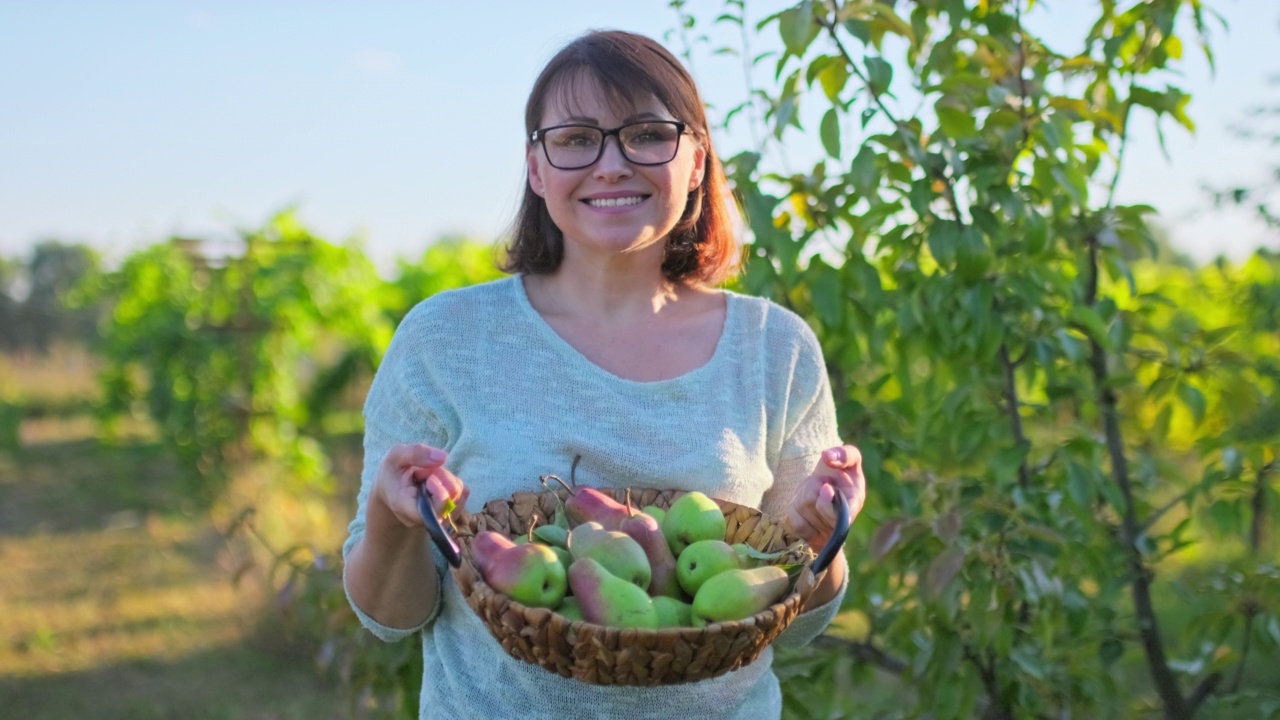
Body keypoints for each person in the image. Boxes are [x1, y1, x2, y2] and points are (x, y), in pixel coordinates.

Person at [342, 29, 867, 719]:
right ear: (536, 167)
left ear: (697, 160)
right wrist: (391, 519)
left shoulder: (774, 348)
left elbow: (795, 619)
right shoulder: (447, 340)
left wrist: (822, 538)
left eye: (648, 133)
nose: (612, 164)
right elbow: (391, 616)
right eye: (575, 138)